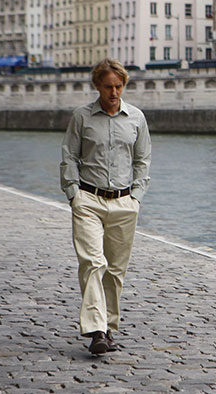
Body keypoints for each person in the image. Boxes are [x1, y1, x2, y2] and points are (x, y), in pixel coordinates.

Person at [60, 58, 151, 355]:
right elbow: (69, 156)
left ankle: (109, 328)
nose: (114, 92)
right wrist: (73, 194)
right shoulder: (82, 117)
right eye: (108, 87)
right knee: (92, 263)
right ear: (97, 86)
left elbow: (142, 160)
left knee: (115, 270)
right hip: (88, 199)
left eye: (119, 86)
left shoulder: (136, 118)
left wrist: (136, 196)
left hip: (124, 202)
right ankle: (96, 331)